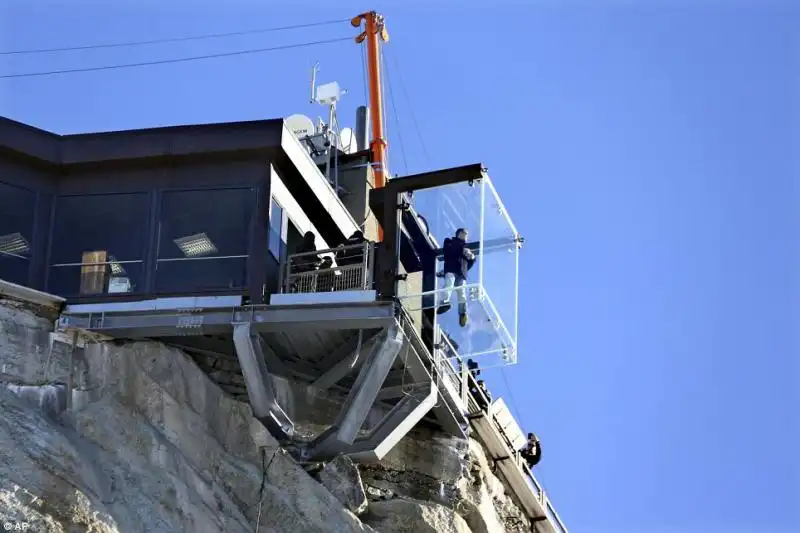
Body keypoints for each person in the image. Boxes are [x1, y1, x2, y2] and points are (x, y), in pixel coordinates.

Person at [437, 228, 476, 327]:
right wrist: (462, 250)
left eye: (466, 235)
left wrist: (472, 257)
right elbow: (448, 250)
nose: (466, 236)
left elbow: (468, 265)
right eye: (464, 234)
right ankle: (445, 302)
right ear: (459, 233)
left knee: (462, 293)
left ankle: (462, 313)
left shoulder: (466, 248)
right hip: (451, 268)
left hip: (461, 273)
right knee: (449, 284)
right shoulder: (449, 241)